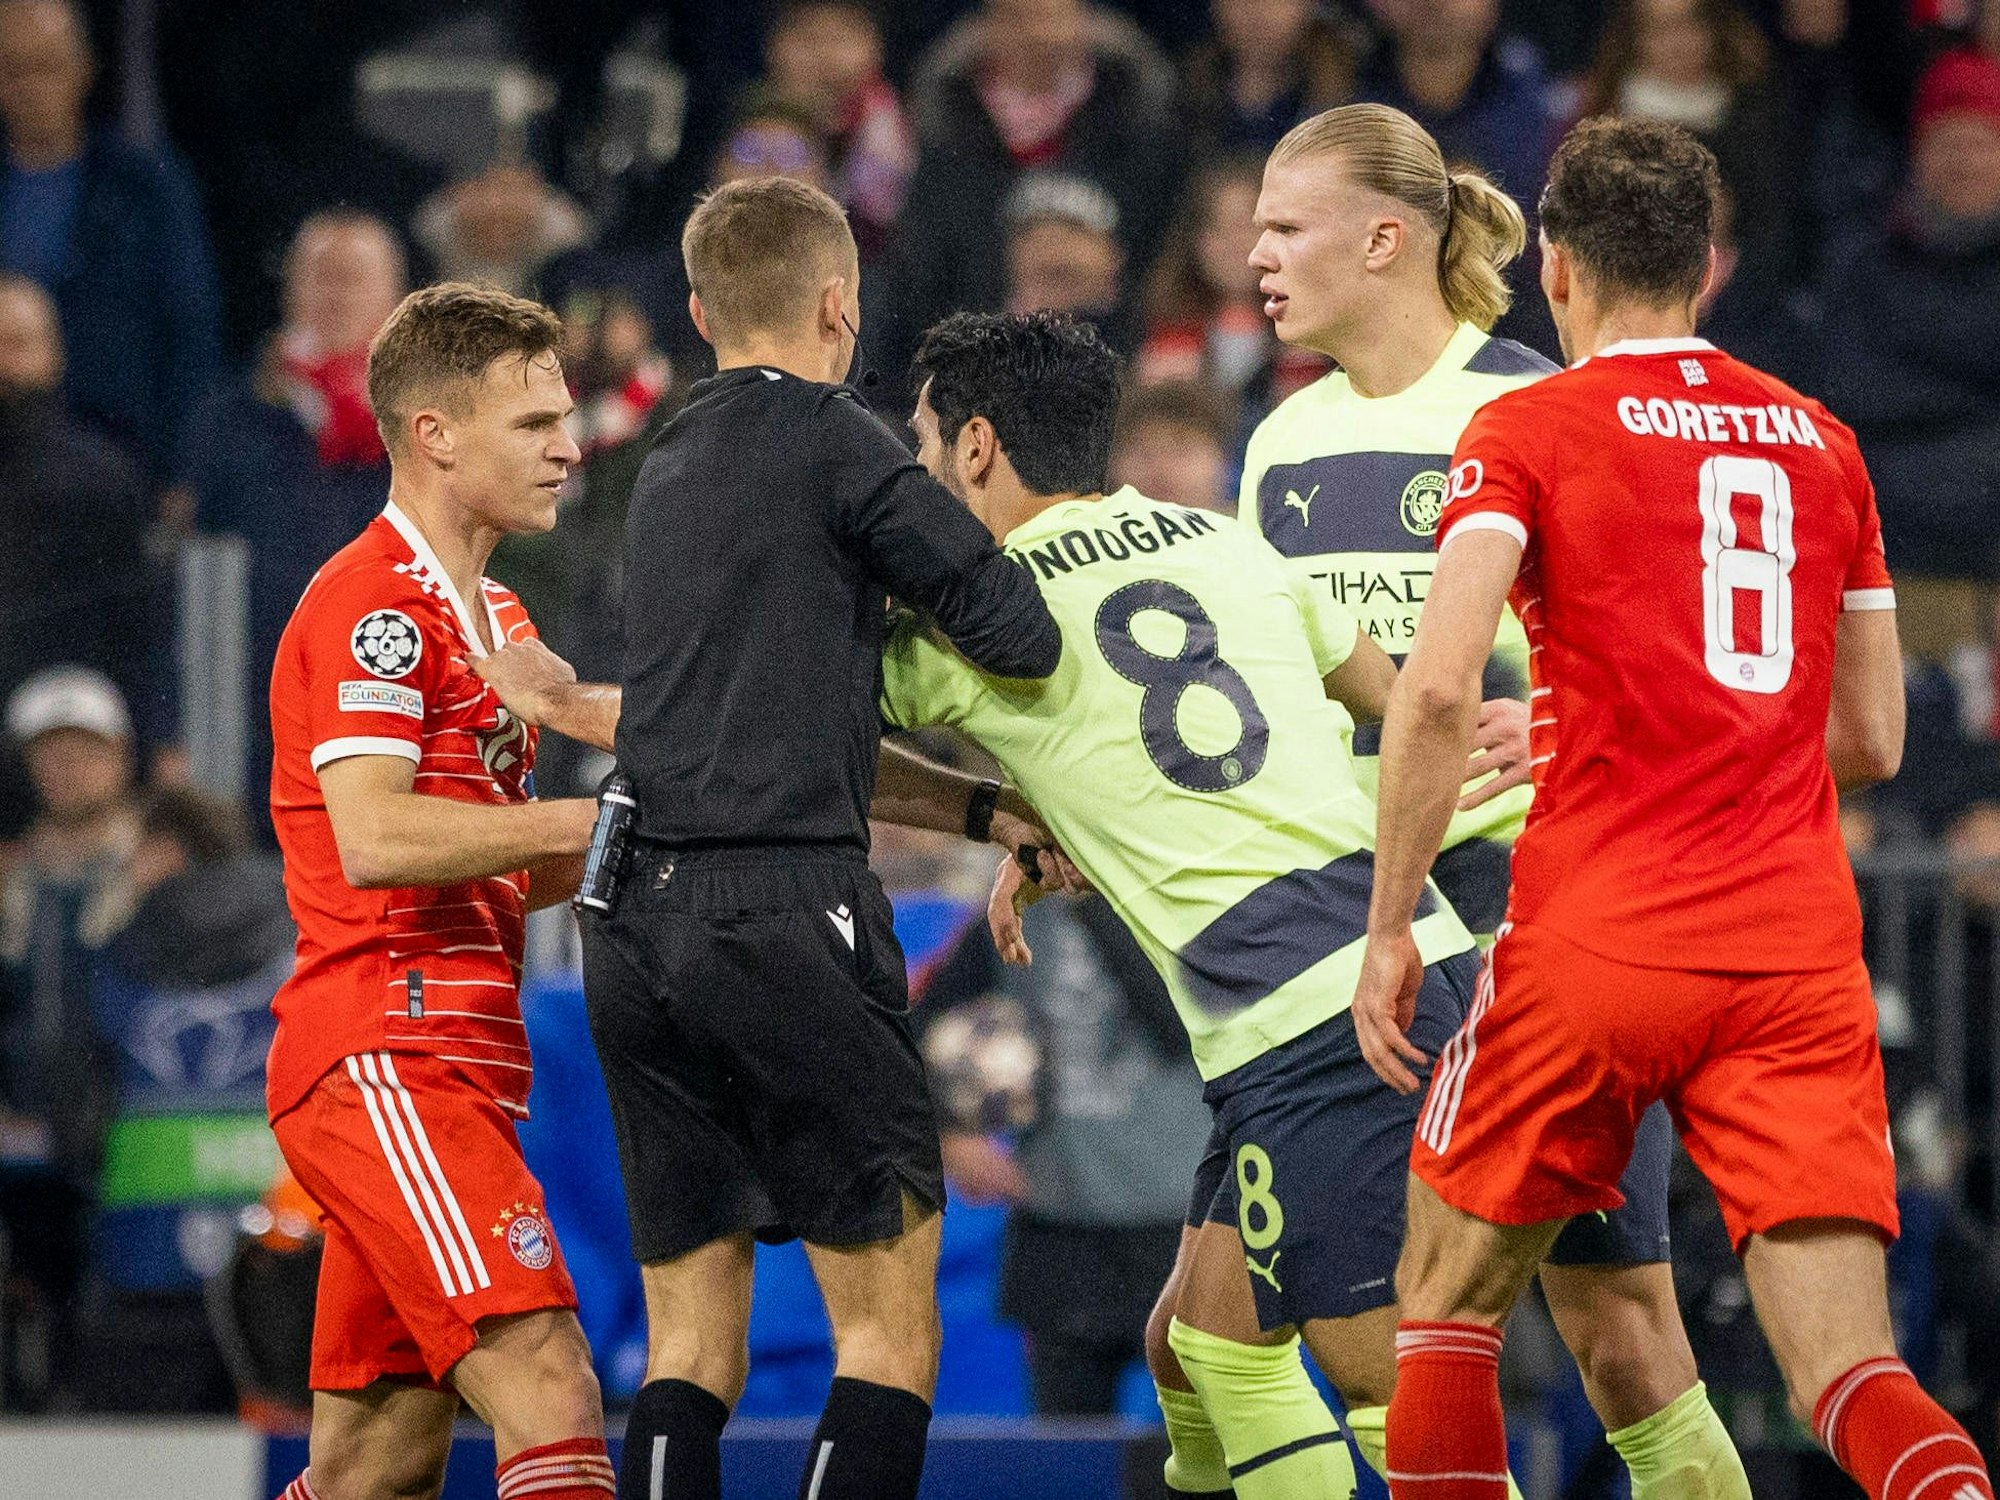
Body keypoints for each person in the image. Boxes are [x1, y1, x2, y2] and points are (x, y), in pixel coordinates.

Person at [1352, 117, 1992, 1500]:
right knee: (1854, 1372)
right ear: (1706, 269)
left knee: (1445, 1303)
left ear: (1560, 272)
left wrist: (1392, 921)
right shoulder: (1823, 442)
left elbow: (1442, 686)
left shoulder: (1523, 425)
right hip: (1793, 950)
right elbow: (1871, 737)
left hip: (1600, 933)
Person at [473, 176, 1066, 1500]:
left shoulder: (665, 464)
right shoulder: (842, 442)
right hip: (786, 915)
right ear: (840, 304)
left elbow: (767, 721)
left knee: (689, 1345)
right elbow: (1021, 636)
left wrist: (976, 808)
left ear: (696, 312)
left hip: (634, 922)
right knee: (889, 1335)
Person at [883, 310, 1512, 1500]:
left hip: (1319, 1021)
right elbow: (1390, 696)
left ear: (973, 449)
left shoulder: (971, 611)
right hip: (1375, 972)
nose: (915, 477)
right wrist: (1048, 814)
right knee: (1196, 1346)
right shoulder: (1219, 543)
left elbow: (818, 738)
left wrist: (993, 812)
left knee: (1386, 1379)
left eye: (920, 446)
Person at [1236, 99, 1747, 1500]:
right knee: (1352, 1317)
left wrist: (1566, 719)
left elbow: (1674, 654)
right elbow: (1282, 676)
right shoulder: (1278, 442)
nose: (1256, 255)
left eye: (1286, 226)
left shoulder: (1530, 405)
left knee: (1618, 1325)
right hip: (1347, 916)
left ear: (1385, 238)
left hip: (1525, 905)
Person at [262, 283, 613, 1500]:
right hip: (386, 1050)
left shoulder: (501, 619)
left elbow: (510, 865)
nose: (570, 445)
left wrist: (666, 836)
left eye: (564, 418)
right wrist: (598, 814)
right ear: (434, 434)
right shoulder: (375, 607)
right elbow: (373, 835)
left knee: (376, 1460)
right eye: (534, 424)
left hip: (453, 1055)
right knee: (550, 1381)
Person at [917, 889, 1213, 1416]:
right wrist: (949, 1134)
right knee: (1067, 1446)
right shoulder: (1013, 912)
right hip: (1059, 1228)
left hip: (1183, 1226)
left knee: (1210, 1452)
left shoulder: (1187, 896)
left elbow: (1181, 1026)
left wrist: (1096, 900)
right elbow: (914, 1026)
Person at [179, 210, 409, 830]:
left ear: (394, 300)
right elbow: (182, 581)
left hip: (381, 703)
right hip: (247, 713)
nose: (333, 295)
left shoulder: (423, 428)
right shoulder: (225, 422)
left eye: (352, 279)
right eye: (318, 277)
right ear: (289, 289)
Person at [0, 0, 220, 477]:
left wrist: (182, 468)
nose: (32, 88)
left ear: (83, 69)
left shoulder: (147, 187)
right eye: (15, 69)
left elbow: (188, 329)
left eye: (48, 67)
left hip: (117, 450)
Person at [0, 665, 138, 1409]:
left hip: (132, 1142)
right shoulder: (10, 882)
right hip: (24, 1153)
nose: (67, 768)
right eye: (49, 752)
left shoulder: (159, 870)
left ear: (120, 757)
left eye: (83, 749)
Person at [1109, 379, 1237, 514]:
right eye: (1143, 453)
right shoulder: (1088, 530)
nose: (1161, 469)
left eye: (1181, 449)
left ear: (1222, 459)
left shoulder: (1250, 532)